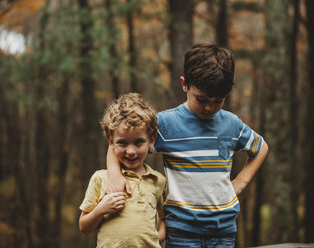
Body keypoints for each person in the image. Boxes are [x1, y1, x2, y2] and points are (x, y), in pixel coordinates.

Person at [106, 44, 269, 248]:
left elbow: (261, 147)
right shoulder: (165, 124)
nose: (209, 107)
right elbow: (119, 139)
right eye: (201, 99)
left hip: (223, 230)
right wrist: (115, 174)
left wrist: (241, 182)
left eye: (218, 100)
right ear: (184, 84)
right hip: (181, 231)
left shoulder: (232, 124)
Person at [79, 93, 166, 248]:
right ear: (110, 141)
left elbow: (163, 217)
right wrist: (100, 210)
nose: (131, 151)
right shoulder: (101, 178)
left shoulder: (158, 181)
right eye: (123, 143)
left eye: (139, 142)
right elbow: (84, 228)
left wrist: (156, 238)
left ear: (151, 140)